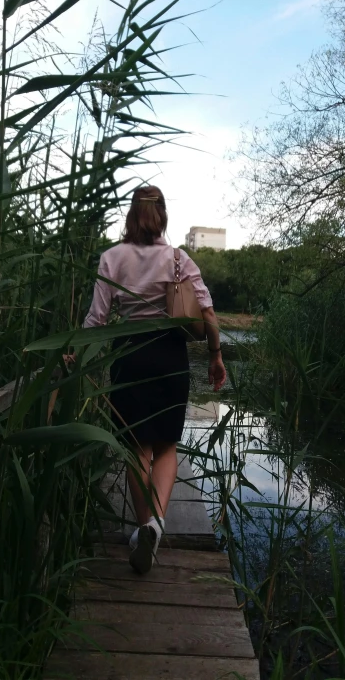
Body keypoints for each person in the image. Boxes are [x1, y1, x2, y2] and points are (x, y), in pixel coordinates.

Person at [83, 185, 226, 574]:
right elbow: (209, 317)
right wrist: (215, 356)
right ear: (162, 214)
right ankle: (156, 525)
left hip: (127, 356)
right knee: (165, 446)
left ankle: (145, 526)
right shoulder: (180, 260)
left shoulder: (111, 258)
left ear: (131, 214)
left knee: (136, 449)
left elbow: (96, 320)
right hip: (169, 355)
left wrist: (76, 355)